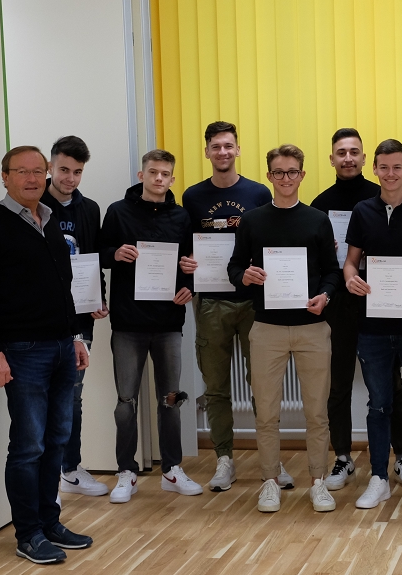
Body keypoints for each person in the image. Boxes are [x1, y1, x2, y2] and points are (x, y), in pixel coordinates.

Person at [0, 146, 93, 564]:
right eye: (22, 171)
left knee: (56, 441)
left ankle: (50, 522)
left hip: (61, 348)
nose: (32, 178)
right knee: (28, 446)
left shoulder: (49, 221)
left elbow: (64, 288)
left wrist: (75, 337)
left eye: (38, 171)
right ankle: (28, 534)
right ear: (5, 176)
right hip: (22, 352)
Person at [177, 122, 295, 491]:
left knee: (262, 385)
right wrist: (186, 264)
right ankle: (224, 460)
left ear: (238, 150)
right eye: (216, 146)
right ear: (207, 152)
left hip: (253, 302)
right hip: (211, 302)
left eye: (228, 145)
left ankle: (271, 460)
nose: (223, 152)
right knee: (215, 387)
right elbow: (185, 245)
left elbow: (271, 239)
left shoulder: (258, 192)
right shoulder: (192, 197)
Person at [227, 144, 343, 513]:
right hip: (267, 328)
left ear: (302, 175)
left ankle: (318, 482)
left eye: (292, 171)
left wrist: (325, 295)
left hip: (312, 328)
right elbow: (234, 268)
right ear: (269, 176)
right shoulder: (252, 220)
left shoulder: (317, 220)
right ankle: (269, 482)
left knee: (317, 412)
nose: (286, 178)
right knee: (266, 413)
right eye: (279, 172)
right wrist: (245, 275)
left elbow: (332, 271)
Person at [310, 128, 402, 492]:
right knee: (337, 384)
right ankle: (342, 457)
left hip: (382, 302)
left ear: (365, 158)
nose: (348, 158)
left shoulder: (381, 195)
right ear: (332, 158)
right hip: (339, 305)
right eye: (341, 152)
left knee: (390, 384)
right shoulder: (320, 204)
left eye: (354, 151)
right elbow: (317, 261)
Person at [100, 149, 202, 503]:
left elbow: (190, 263)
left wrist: (190, 284)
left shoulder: (181, 216)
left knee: (170, 398)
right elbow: (100, 253)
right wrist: (115, 254)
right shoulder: (118, 211)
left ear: (172, 179)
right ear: (141, 175)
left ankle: (171, 470)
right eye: (153, 172)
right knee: (125, 400)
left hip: (168, 321)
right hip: (128, 322)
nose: (159, 178)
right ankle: (126, 471)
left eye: (165, 174)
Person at [342, 139, 402, 510]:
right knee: (378, 404)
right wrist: (351, 279)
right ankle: (379, 479)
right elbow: (351, 262)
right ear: (375, 169)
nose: (391, 173)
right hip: (373, 326)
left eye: (397, 166)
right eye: (384, 167)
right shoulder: (362, 211)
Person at [39, 136, 110, 498]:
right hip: (41, 318)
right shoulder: (34, 204)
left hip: (80, 318)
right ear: (50, 166)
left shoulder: (90, 209)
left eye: (77, 172)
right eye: (64, 169)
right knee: (42, 395)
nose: (70, 178)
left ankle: (69, 469)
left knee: (73, 394)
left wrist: (99, 298)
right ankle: (45, 474)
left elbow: (92, 259)